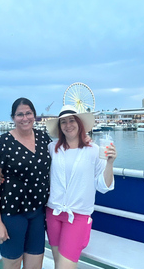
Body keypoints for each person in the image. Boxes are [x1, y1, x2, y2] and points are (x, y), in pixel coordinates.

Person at [45, 105, 116, 269]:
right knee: (58, 264)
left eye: (71, 120)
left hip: (77, 216)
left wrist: (110, 163)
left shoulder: (94, 151)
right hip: (53, 213)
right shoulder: (51, 148)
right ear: (59, 126)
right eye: (63, 122)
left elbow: (103, 186)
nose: (68, 125)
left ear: (79, 123)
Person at [0, 97, 51, 269]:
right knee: (13, 264)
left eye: (28, 113)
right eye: (19, 114)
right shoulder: (2, 143)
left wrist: (85, 140)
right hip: (12, 215)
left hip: (37, 213)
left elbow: (64, 150)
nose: (25, 118)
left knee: (35, 264)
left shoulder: (43, 138)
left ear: (34, 115)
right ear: (13, 118)